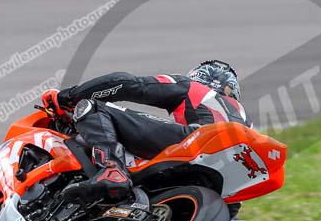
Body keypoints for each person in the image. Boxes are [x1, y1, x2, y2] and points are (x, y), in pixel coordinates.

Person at [41, 59, 250, 205]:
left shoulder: (193, 87)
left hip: (198, 141)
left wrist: (68, 97)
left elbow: (127, 84)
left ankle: (111, 169)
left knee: (91, 106)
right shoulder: (244, 117)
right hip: (231, 169)